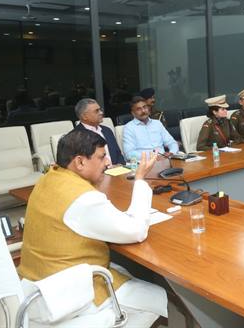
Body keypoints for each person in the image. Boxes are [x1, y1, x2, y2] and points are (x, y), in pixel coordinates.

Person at [18, 130, 167, 321]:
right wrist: (140, 179)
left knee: (126, 271)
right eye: (102, 156)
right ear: (80, 162)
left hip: (36, 285)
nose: (107, 163)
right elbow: (136, 231)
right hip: (68, 295)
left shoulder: (49, 178)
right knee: (158, 297)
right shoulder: (83, 199)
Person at [123, 96, 179, 160]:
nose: (143, 111)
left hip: (163, 160)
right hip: (144, 164)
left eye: (145, 107)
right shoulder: (129, 128)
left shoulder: (157, 124)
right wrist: (152, 157)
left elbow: (171, 142)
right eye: (139, 109)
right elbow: (129, 154)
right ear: (133, 113)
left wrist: (171, 152)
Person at [74, 98, 125, 166]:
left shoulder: (107, 130)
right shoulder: (75, 136)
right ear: (84, 116)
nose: (101, 113)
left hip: (117, 171)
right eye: (96, 111)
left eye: (100, 109)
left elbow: (118, 154)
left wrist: (120, 166)